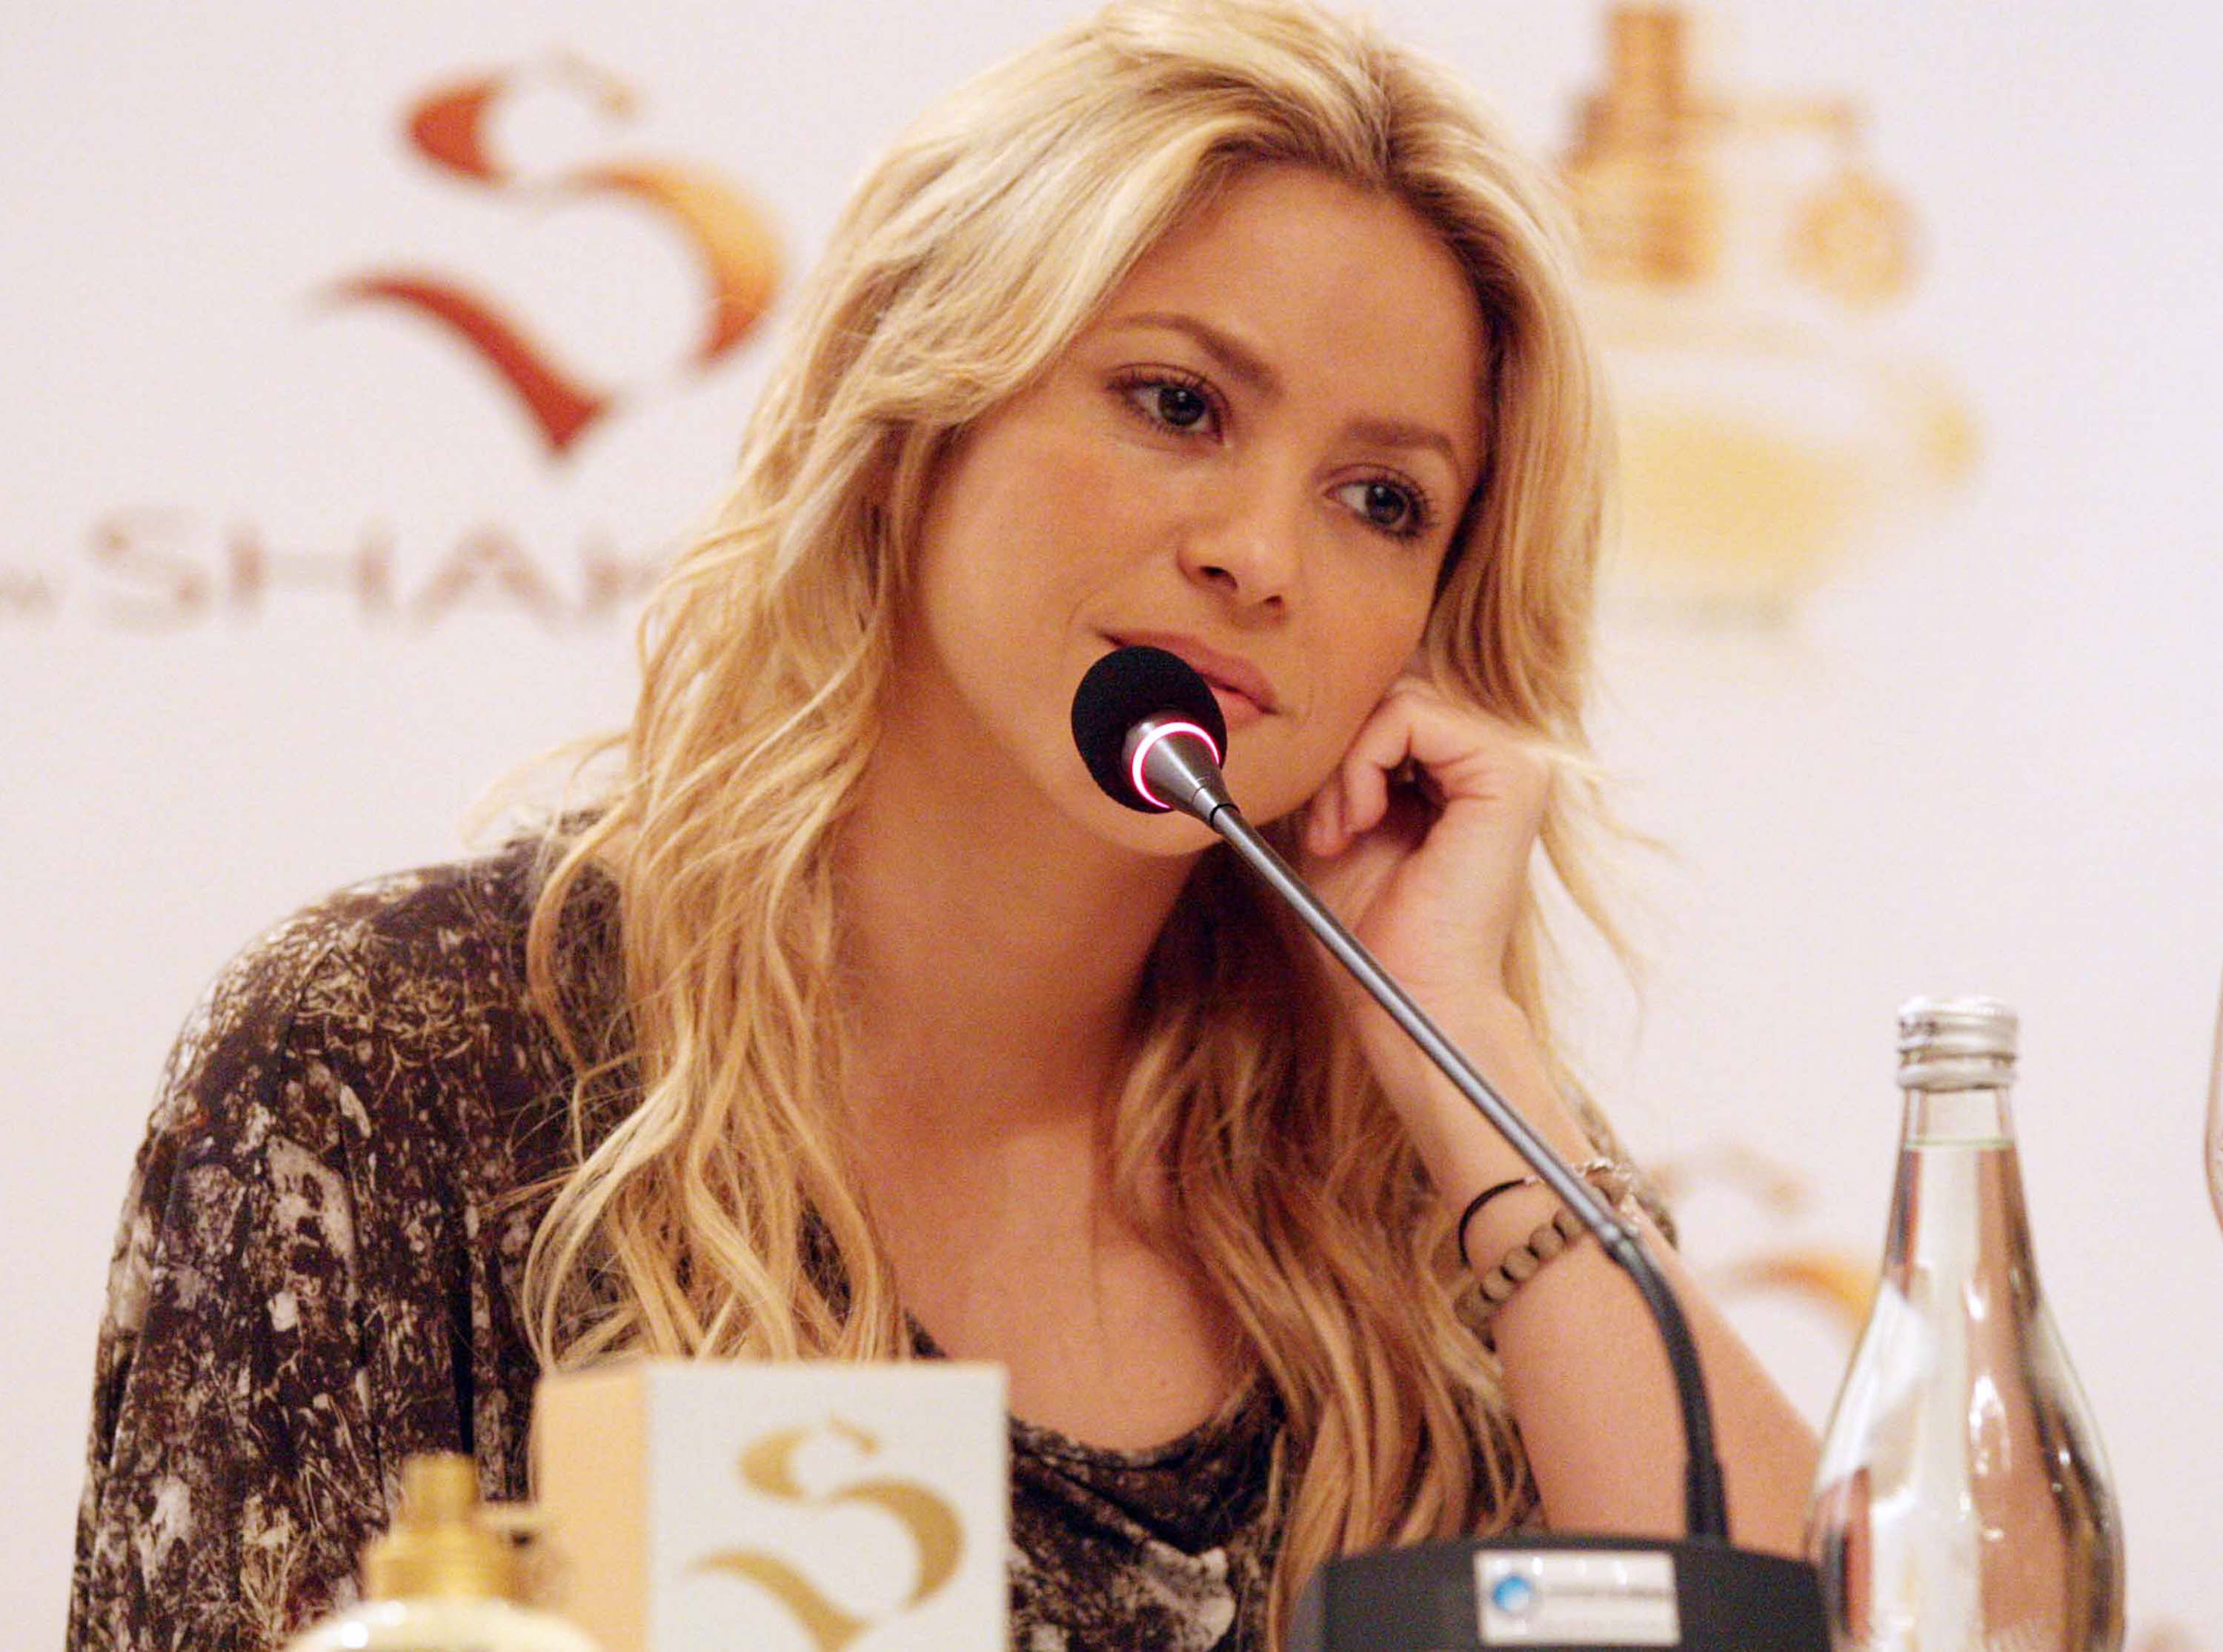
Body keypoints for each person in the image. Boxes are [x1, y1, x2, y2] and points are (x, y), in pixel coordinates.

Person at [69, 2, 1820, 1648]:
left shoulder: (1420, 1144)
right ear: (925, 404)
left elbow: (1829, 1618)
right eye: (1179, 403)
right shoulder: (400, 1059)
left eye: (1382, 499)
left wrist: (1457, 1029)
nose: (1259, 556)